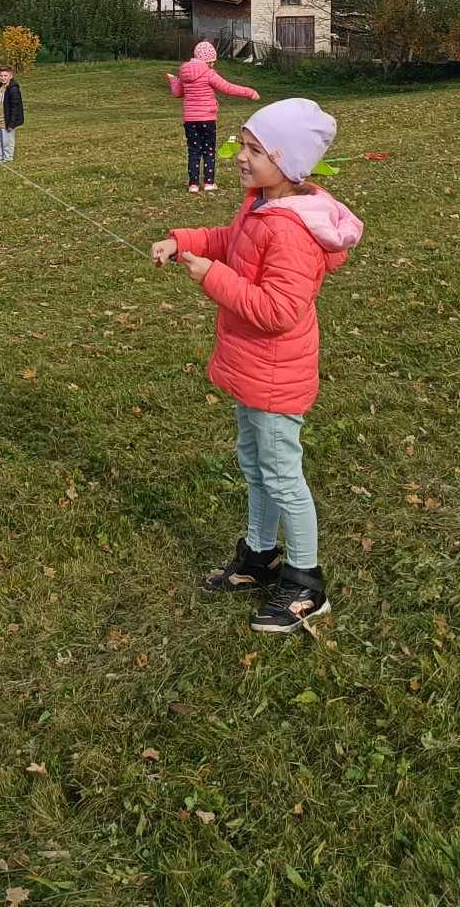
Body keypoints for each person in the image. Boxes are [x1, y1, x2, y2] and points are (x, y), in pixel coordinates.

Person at [152, 98, 362, 634]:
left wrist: (208, 276)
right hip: (252, 369)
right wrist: (184, 242)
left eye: (253, 149)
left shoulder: (289, 231)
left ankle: (305, 582)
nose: (239, 157)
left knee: (282, 476)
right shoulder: (260, 206)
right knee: (255, 465)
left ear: (287, 161)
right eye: (240, 145)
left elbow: (277, 310)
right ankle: (260, 557)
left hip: (274, 374)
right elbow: (231, 244)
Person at [167, 40, 258, 193]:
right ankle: (209, 183)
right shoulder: (209, 74)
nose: (213, 65)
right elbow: (228, 88)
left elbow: (178, 93)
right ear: (208, 61)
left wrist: (173, 81)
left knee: (194, 151)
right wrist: (249, 92)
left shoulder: (184, 73)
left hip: (190, 120)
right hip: (207, 119)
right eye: (212, 62)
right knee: (209, 150)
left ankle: (193, 185)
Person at [0, 66, 24, 163]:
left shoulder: (13, 89)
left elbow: (15, 107)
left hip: (7, 121)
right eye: (1, 76)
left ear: (11, 76)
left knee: (7, 141)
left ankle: (8, 158)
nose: (3, 78)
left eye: (5, 75)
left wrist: (12, 123)